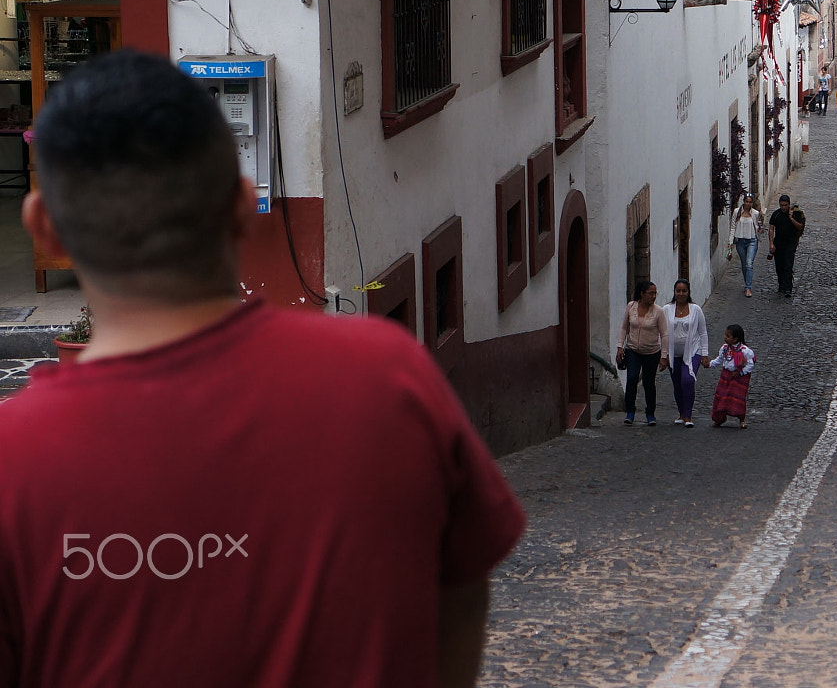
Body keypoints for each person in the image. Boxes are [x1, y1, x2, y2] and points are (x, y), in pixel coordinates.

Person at [0, 50, 525, 688]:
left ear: (44, 230)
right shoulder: (388, 379)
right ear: (243, 203)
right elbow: (463, 585)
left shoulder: (13, 463)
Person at [616, 280, 669, 426]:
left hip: (652, 352)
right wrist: (620, 346)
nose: (653, 296)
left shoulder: (658, 311)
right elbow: (624, 328)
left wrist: (664, 356)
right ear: (642, 294)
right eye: (651, 293)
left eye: (655, 293)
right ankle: (630, 411)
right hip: (633, 350)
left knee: (648, 382)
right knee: (632, 378)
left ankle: (650, 413)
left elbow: (664, 334)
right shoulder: (631, 307)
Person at [665, 279, 710, 427]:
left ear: (688, 292)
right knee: (677, 383)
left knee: (687, 380)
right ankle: (681, 413)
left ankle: (689, 415)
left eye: (684, 291)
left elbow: (702, 332)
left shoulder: (696, 309)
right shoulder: (667, 309)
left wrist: (704, 353)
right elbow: (663, 333)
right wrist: (663, 355)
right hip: (674, 353)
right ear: (674, 292)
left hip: (693, 351)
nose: (681, 293)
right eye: (678, 290)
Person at [710, 324, 756, 429]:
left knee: (738, 398)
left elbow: (750, 364)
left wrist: (741, 372)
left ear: (735, 339)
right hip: (726, 376)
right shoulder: (725, 349)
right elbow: (720, 359)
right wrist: (710, 364)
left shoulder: (745, 351)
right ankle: (719, 418)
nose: (725, 338)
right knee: (721, 396)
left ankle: (742, 419)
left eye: (728, 336)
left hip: (738, 377)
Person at [767, 194, 806, 297]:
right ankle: (781, 285)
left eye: (785, 205)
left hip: (790, 244)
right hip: (778, 243)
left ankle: (788, 288)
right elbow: (771, 228)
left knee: (788, 265)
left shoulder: (795, 214)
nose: (783, 207)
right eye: (781, 205)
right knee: (779, 266)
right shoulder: (776, 214)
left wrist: (791, 219)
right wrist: (771, 243)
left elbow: (800, 227)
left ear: (788, 204)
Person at [729, 194, 764, 297]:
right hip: (740, 241)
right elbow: (732, 227)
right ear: (743, 201)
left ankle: (748, 287)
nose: (748, 203)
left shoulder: (755, 213)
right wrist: (730, 242)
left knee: (749, 264)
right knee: (744, 264)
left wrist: (760, 229)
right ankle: (746, 283)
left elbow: (758, 225)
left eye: (750, 202)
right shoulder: (737, 212)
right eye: (746, 201)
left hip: (752, 241)